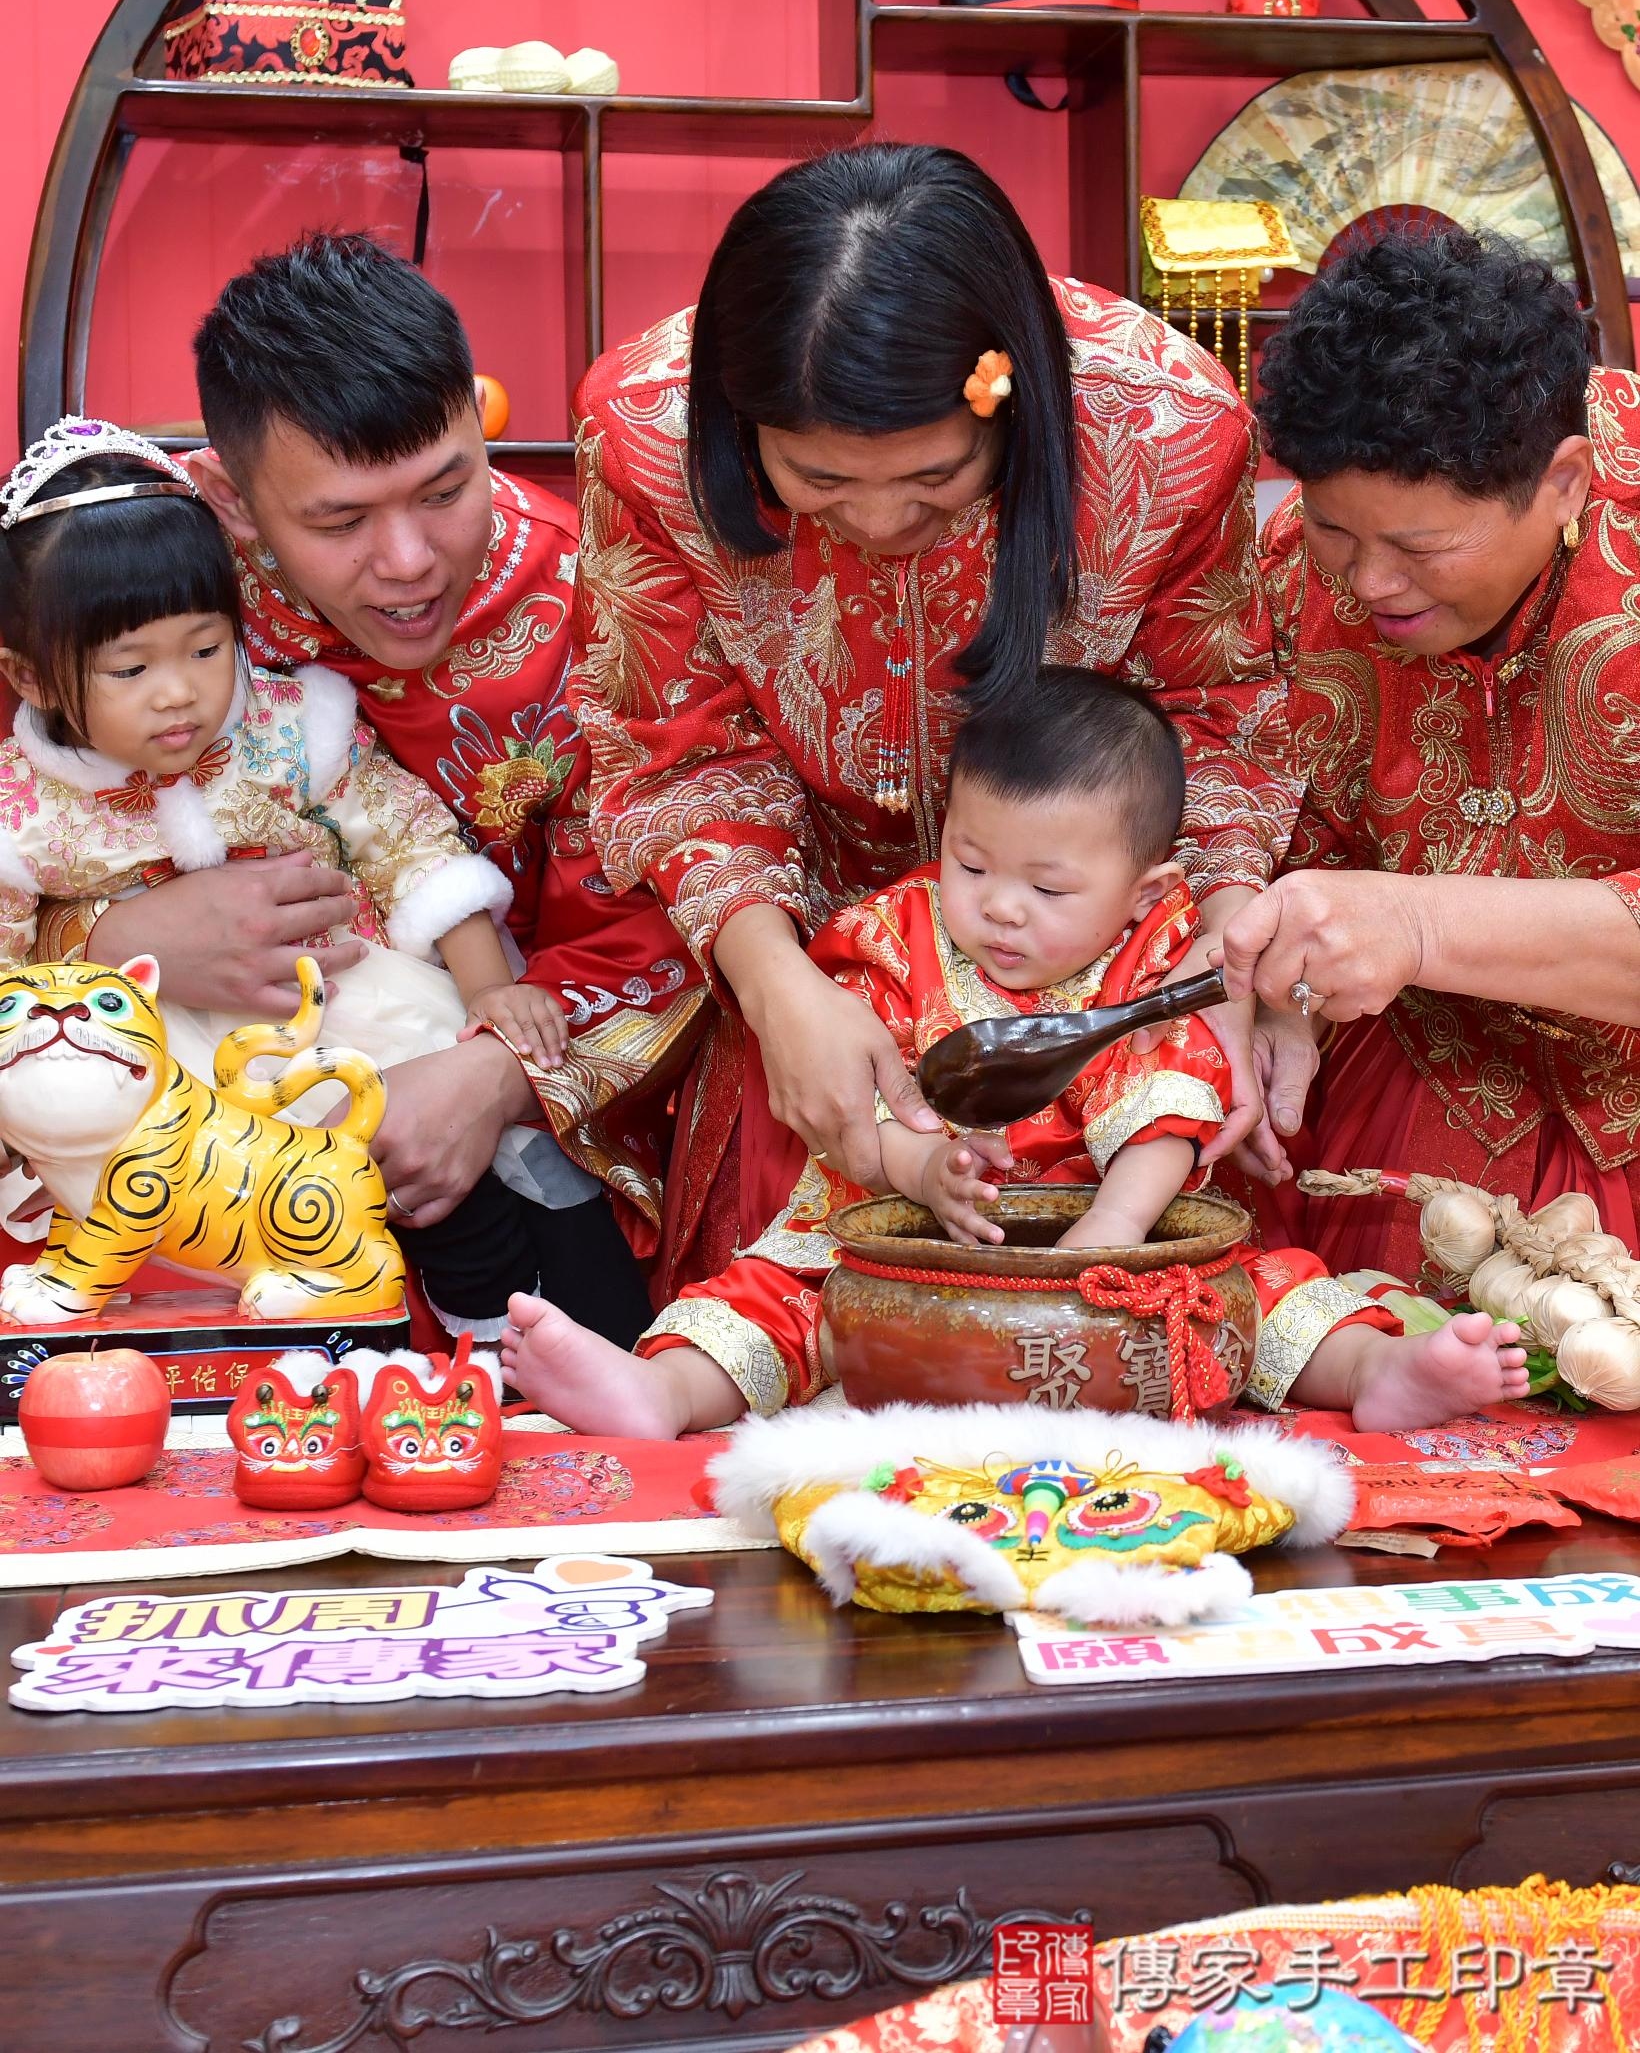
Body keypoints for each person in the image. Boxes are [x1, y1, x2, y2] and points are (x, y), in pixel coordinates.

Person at [571, 141, 1292, 1291]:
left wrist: (1221, 957)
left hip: (1107, 1007)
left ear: (1009, 409)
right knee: (796, 1369)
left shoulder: (1168, 427)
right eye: (816, 480)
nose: (874, 519)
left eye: (933, 480)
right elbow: (676, 745)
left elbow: (1217, 722)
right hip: (813, 995)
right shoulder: (645, 434)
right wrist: (780, 986)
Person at [503, 669, 1528, 1434]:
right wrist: (916, 1166)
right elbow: (863, 1098)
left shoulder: (1165, 945)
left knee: (1248, 1292)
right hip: (906, 1238)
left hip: (1123, 1242)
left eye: (1046, 888)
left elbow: (1176, 1082)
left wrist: (1114, 1228)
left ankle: (1377, 1376)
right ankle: (660, 1389)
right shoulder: (891, 934)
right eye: (971, 860)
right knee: (776, 1297)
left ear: (1138, 888)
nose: (996, 905)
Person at [29, 236, 704, 1281]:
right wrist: (107, 936)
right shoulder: (141, 594)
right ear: (235, 499)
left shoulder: (604, 616)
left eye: (444, 490)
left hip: (504, 1123)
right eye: (339, 518)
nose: (406, 562)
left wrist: (488, 1079)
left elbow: (666, 919)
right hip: (185, 1137)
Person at [0, 420, 649, 1345]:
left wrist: (489, 996)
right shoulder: (21, 814)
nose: (179, 693)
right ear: (31, 677)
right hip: (181, 1079)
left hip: (357, 1011)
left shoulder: (289, 725)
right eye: (132, 669)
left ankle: (570, 1346)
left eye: (206, 649)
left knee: (494, 1161)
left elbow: (412, 846)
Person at [1220, 229, 1640, 1277]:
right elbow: (1249, 815)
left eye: (1418, 547)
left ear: (1563, 481)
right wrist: (1274, 993)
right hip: (1400, 1097)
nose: (1365, 585)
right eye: (1330, 529)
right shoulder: (1284, 573)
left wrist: (1412, 919)